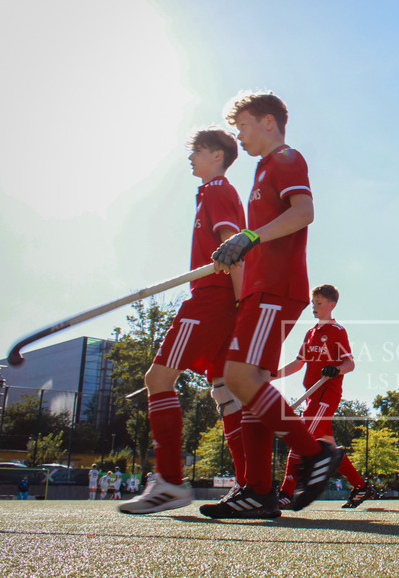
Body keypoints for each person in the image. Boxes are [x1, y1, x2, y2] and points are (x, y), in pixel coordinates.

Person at [201, 91, 342, 519]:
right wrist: (242, 250)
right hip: (260, 290)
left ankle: (312, 454)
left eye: (242, 126)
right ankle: (258, 491)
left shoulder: (285, 158)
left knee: (239, 378)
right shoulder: (263, 169)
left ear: (267, 121)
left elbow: (305, 212)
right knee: (251, 386)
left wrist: (250, 237)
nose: (238, 137)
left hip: (275, 289)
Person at [120, 128, 248, 515]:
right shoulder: (211, 192)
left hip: (210, 301)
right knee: (225, 393)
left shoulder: (218, 190)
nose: (190, 157)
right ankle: (252, 484)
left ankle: (171, 482)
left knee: (157, 380)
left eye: (197, 151)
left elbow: (235, 251)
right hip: (223, 303)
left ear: (217, 155)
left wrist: (244, 307)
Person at [273, 284, 372, 509]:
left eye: (318, 303)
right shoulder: (311, 333)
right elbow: (299, 363)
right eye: (313, 303)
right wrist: (272, 376)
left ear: (331, 305)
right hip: (311, 395)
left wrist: (336, 369)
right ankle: (361, 486)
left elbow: (350, 363)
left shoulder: (337, 331)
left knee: (300, 438)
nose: (314, 307)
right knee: (329, 444)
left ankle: (286, 493)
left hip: (327, 395)